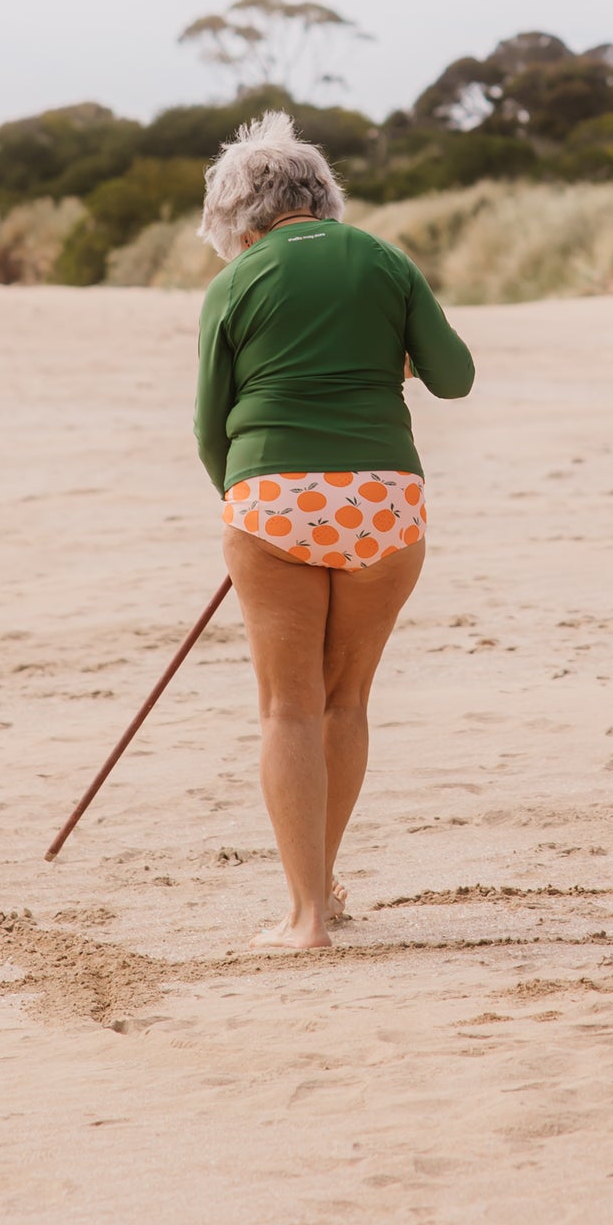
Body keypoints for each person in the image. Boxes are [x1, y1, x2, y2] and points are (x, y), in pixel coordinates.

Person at [193, 109, 475, 952]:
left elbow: (212, 427)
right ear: (323, 195)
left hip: (271, 498)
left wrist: (247, 507)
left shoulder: (236, 282)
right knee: (343, 699)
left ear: (236, 216)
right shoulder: (385, 260)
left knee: (288, 708)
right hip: (384, 502)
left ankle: (306, 915)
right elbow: (454, 378)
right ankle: (327, 888)